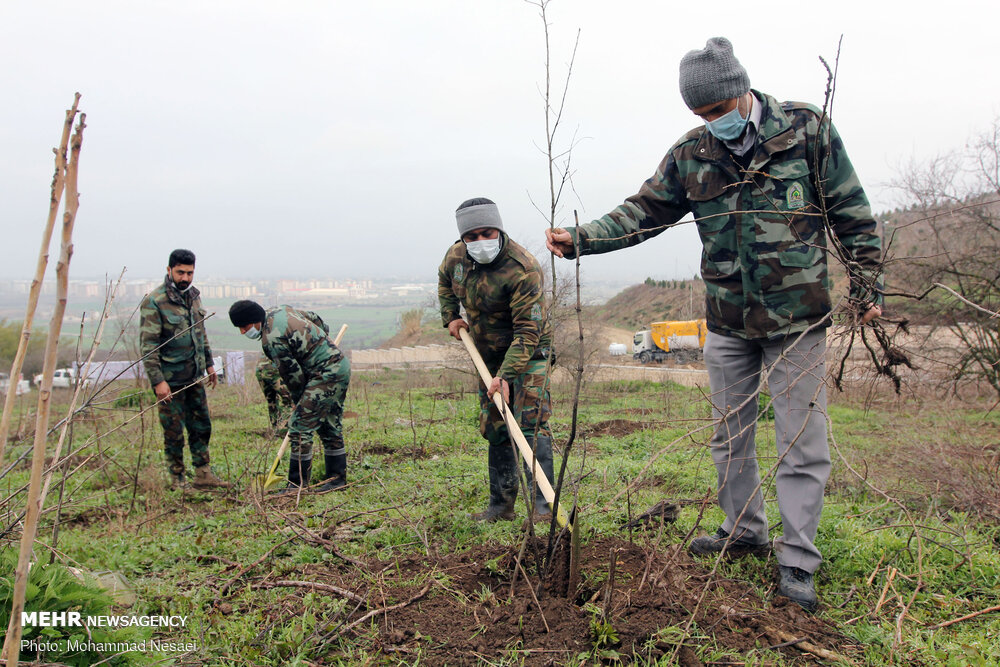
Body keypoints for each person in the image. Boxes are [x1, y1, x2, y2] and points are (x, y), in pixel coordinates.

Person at [545, 37, 883, 611]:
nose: (710, 122)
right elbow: (644, 210)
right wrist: (580, 240)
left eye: (717, 110)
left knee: (800, 441)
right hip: (726, 319)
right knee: (729, 433)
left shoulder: (806, 130)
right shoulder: (692, 153)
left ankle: (798, 559)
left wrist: (868, 284)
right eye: (699, 114)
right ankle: (743, 530)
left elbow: (850, 210)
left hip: (797, 319)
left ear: (740, 91)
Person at [438, 197, 556, 522]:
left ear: (499, 229)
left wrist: (505, 377)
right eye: (471, 236)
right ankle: (501, 508)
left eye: (486, 233)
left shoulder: (523, 269)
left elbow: (527, 332)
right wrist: (451, 317)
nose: (479, 242)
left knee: (530, 422)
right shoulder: (456, 257)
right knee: (496, 425)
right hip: (486, 354)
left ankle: (544, 508)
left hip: (529, 352)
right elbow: (445, 284)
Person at [228, 300, 350, 493]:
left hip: (325, 375)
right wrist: (322, 340)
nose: (243, 332)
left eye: (244, 326)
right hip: (340, 367)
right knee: (328, 423)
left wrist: (298, 403)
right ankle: (337, 478)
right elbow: (314, 318)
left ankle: (296, 485)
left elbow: (293, 377)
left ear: (254, 320)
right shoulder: (281, 310)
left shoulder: (271, 340)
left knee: (300, 427)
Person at [140, 248, 231, 489]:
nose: (185, 278)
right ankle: (177, 479)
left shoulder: (193, 297)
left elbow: (200, 333)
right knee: (174, 432)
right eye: (181, 272)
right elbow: (149, 347)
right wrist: (158, 381)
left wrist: (210, 364)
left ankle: (203, 474)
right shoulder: (154, 302)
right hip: (170, 381)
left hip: (194, 377)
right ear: (169, 270)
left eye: (190, 273)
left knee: (201, 426)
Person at [255, 357, 293, 436]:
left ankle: (275, 429)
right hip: (274, 370)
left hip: (260, 369)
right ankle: (283, 431)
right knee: (289, 401)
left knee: (271, 401)